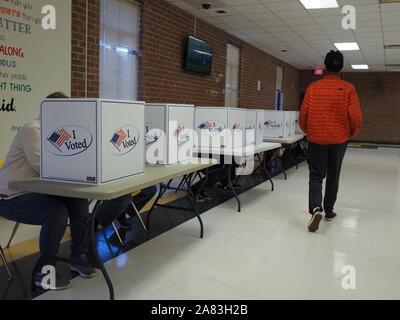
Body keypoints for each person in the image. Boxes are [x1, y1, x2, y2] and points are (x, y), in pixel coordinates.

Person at [0, 92, 95, 290]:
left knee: (78, 202)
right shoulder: (32, 129)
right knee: (57, 212)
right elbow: (43, 166)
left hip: (38, 190)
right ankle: (44, 272)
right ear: (50, 110)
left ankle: (78, 258)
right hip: (10, 196)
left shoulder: (57, 133)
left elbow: (67, 160)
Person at [299, 50, 363, 232]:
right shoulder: (349, 88)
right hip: (339, 139)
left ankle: (315, 208)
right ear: (341, 67)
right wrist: (348, 134)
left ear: (325, 66)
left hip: (316, 138)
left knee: (316, 175)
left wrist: (310, 131)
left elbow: (303, 116)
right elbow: (356, 118)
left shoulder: (313, 88)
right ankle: (328, 211)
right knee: (333, 176)